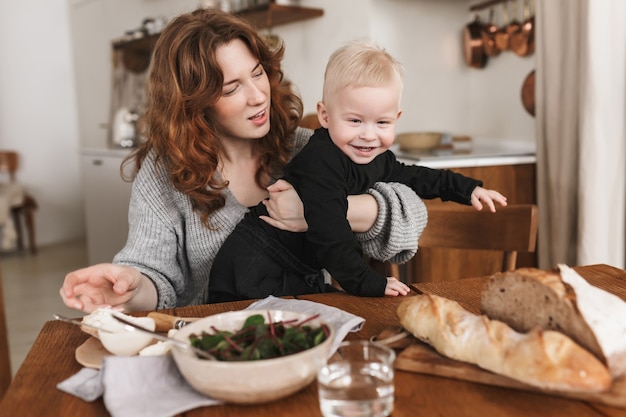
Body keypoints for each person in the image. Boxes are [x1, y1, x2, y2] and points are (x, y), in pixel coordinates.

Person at [59, 9, 426, 313]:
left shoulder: (304, 148)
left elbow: (412, 214)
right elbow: (155, 279)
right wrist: (129, 287)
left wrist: (326, 209)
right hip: (213, 343)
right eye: (232, 88)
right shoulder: (163, 174)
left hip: (313, 332)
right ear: (193, 102)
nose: (257, 96)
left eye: (257, 74)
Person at [209, 40, 507, 302]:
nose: (368, 135)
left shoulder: (375, 155)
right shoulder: (321, 161)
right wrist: (368, 282)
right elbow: (331, 235)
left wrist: (468, 189)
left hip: (293, 267)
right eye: (354, 121)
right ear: (325, 116)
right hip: (256, 263)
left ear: (396, 118)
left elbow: (417, 177)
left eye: (382, 123)